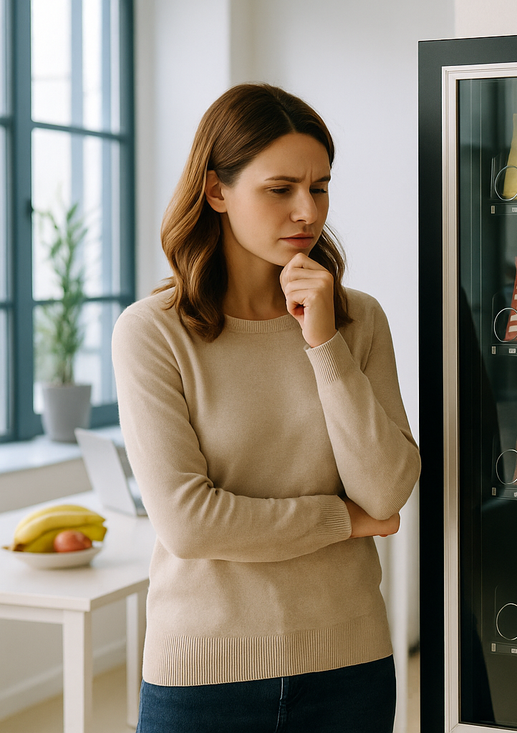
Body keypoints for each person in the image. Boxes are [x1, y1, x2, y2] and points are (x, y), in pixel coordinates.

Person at [112, 83, 421, 732]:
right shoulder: (153, 331)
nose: (308, 210)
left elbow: (387, 491)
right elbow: (189, 524)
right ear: (217, 191)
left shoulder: (358, 319)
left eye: (321, 186)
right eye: (280, 189)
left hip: (350, 665)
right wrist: (341, 519)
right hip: (202, 677)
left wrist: (323, 342)